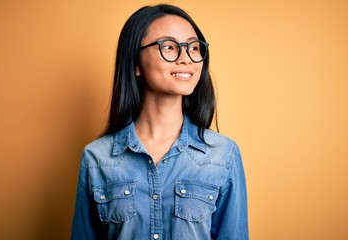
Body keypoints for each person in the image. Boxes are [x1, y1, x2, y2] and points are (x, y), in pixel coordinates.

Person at [71, 4, 248, 240]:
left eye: (194, 48)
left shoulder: (223, 155)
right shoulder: (96, 159)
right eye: (169, 47)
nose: (186, 58)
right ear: (135, 63)